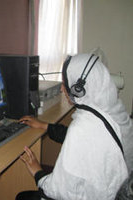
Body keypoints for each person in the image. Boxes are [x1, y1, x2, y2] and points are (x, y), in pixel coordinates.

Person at [16, 53, 133, 200]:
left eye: (65, 83)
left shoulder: (84, 127)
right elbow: (88, 139)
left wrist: (37, 171)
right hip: (115, 190)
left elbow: (57, 192)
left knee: (22, 196)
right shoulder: (114, 110)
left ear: (79, 88)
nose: (61, 89)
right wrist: (44, 125)